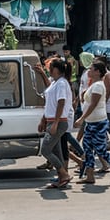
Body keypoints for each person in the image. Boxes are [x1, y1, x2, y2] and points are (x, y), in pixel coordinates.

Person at [77, 62, 110, 185]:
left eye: (92, 69)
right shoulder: (94, 84)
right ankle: (90, 175)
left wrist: (81, 118)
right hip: (91, 122)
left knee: (101, 150)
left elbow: (93, 104)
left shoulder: (99, 86)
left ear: (98, 72)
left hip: (98, 122)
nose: (89, 71)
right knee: (88, 148)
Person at [36, 59, 73, 189]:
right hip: (51, 120)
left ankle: (63, 174)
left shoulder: (62, 83)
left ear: (56, 69)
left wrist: (55, 123)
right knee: (56, 151)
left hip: (58, 121)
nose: (49, 70)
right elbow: (50, 104)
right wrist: (43, 119)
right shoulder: (55, 83)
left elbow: (61, 102)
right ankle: (61, 177)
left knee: (45, 150)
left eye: (51, 67)